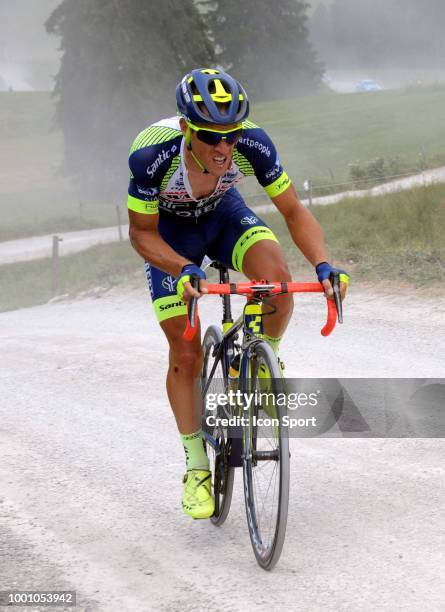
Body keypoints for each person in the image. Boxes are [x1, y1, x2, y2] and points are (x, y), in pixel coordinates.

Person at [127, 68, 348, 519]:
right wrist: (183, 267)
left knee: (277, 283)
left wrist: (324, 265)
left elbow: (293, 211)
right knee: (185, 352)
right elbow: (141, 234)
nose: (224, 148)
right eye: (211, 137)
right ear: (188, 128)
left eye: (232, 135)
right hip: (171, 238)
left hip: (224, 217)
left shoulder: (253, 144)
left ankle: (264, 354)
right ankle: (195, 467)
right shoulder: (152, 153)